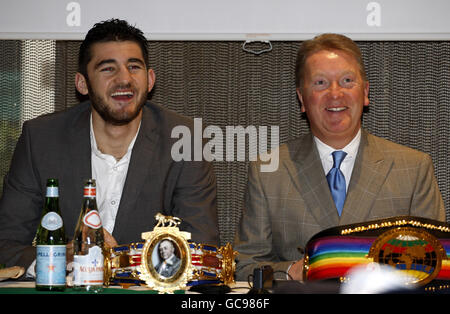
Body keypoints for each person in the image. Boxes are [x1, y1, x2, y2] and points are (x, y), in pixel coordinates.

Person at [0, 19, 219, 275]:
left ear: (149, 80)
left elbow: (201, 249)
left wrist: (120, 261)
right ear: (82, 84)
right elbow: (6, 243)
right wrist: (62, 256)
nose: (124, 79)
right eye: (107, 69)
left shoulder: (185, 139)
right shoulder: (40, 139)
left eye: (133, 67)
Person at [233, 33, 445, 282]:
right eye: (320, 83)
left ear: (365, 92)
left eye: (347, 81)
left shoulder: (413, 168)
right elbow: (244, 265)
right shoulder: (268, 171)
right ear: (302, 98)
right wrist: (292, 271)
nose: (335, 94)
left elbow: (437, 262)